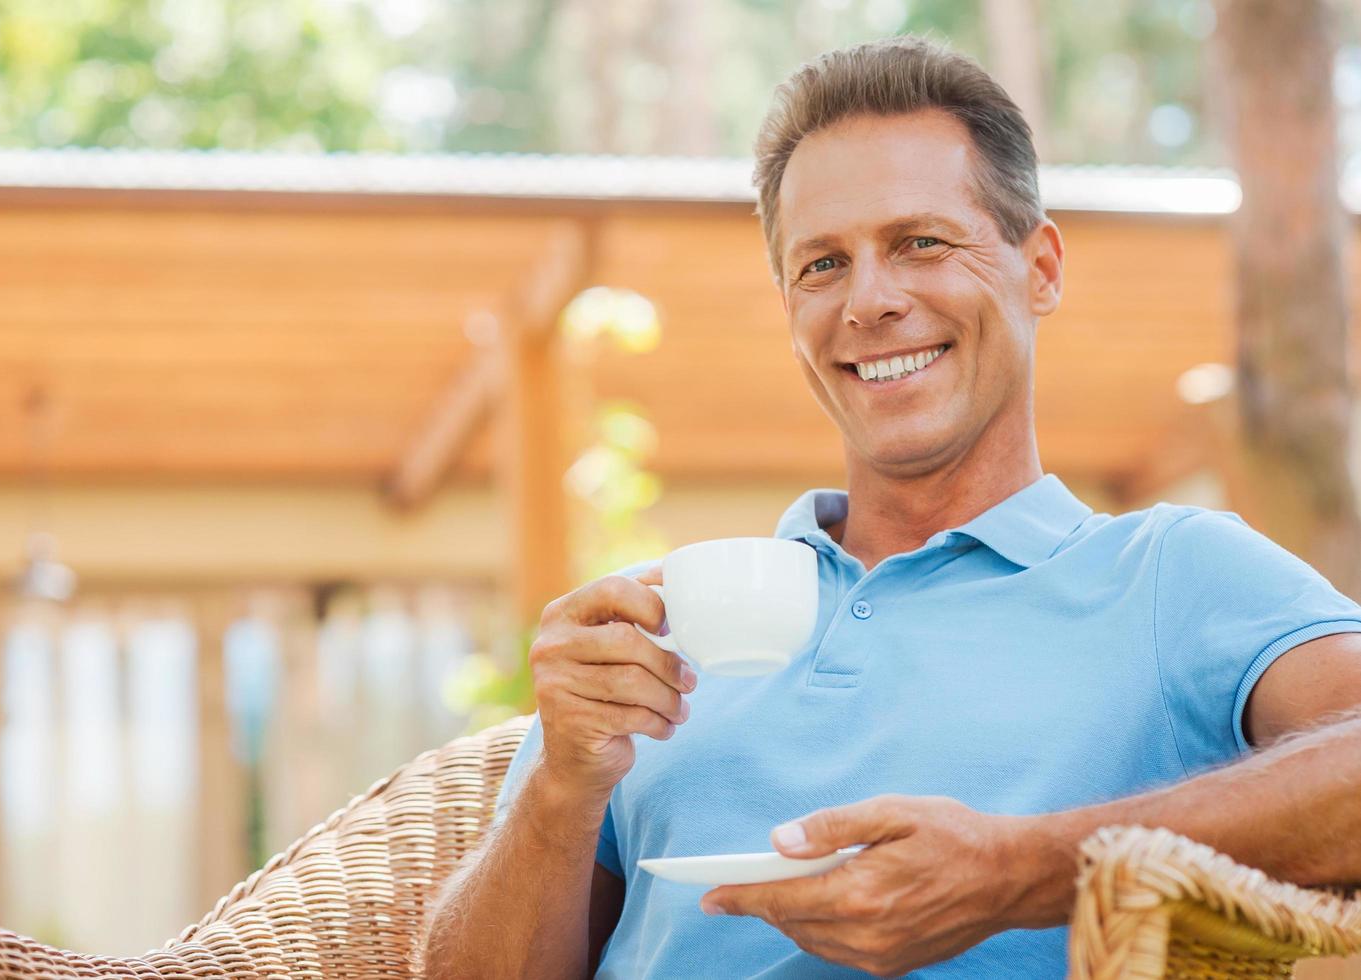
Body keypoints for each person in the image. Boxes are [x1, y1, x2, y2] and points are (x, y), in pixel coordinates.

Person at [422, 36, 1361, 978]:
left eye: (920, 243)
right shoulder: (651, 626)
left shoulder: (1169, 573)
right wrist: (556, 791)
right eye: (821, 264)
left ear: (1039, 270)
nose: (869, 300)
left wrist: (1023, 869)